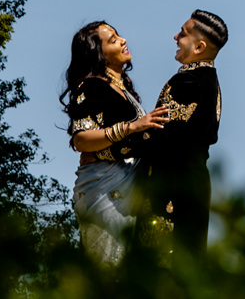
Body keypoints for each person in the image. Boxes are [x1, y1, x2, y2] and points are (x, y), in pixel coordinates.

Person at [60, 20, 170, 264]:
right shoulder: (90, 87)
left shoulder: (123, 89)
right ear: (99, 54)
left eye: (119, 36)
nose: (123, 40)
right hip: (106, 191)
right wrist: (131, 127)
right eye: (113, 40)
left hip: (129, 192)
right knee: (109, 273)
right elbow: (81, 140)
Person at [136, 9, 226, 251]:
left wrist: (121, 135)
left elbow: (159, 138)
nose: (175, 37)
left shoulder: (188, 82)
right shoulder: (207, 79)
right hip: (190, 188)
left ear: (199, 48)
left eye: (183, 34)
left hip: (171, 190)